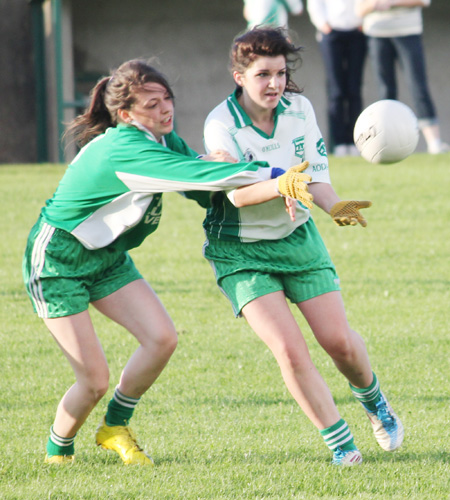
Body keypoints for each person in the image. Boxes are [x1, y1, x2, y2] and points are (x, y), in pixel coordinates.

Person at [22, 59, 312, 466]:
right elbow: (201, 176)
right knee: (93, 380)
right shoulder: (126, 148)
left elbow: (201, 185)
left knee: (161, 339)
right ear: (126, 115)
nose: (165, 110)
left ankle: (114, 427)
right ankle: (58, 453)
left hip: (106, 258)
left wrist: (249, 184)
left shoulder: (160, 139)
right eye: (152, 104)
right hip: (58, 261)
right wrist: (275, 174)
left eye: (167, 99)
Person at [202, 27, 404, 466]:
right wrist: (280, 184)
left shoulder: (299, 109)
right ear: (239, 76)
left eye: (279, 73)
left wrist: (335, 207)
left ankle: (374, 402)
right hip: (241, 251)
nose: (273, 83)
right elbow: (236, 194)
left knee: (340, 344)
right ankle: (342, 447)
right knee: (290, 351)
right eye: (262, 75)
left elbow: (317, 178)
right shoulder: (221, 125)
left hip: (297, 240)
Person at [355, 0, 449, 154]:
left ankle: (434, 142)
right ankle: (384, 142)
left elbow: (424, 1)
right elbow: (359, 9)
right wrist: (375, 4)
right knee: (385, 89)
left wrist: (391, 2)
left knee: (418, 85)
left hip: (408, 32)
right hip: (377, 34)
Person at [307, 0, 367, 157]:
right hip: (331, 33)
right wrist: (323, 25)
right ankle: (339, 142)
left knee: (354, 89)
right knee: (336, 91)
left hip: (357, 32)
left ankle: (355, 141)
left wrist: (363, 21)